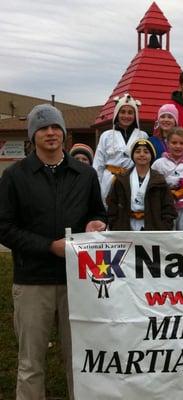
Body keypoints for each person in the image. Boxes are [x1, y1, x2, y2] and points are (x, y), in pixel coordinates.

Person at [0, 104, 107, 400]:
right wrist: (48, 246)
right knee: (30, 363)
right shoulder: (15, 176)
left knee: (79, 361)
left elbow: (98, 213)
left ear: (64, 133)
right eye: (43, 128)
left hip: (78, 282)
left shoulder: (85, 175)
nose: (50, 133)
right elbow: (5, 227)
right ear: (33, 135)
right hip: (33, 281)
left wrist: (97, 223)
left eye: (55, 127)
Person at [107, 139, 176, 231]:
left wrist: (164, 227)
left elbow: (168, 208)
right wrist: (115, 224)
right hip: (125, 226)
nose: (142, 154)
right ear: (132, 155)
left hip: (153, 227)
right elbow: (112, 205)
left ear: (152, 156)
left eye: (146, 152)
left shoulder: (159, 180)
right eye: (138, 151)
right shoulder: (121, 179)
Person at [93, 93, 148, 204]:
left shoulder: (142, 136)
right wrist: (95, 187)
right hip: (109, 180)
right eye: (122, 112)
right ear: (117, 114)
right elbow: (98, 164)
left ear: (135, 115)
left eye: (130, 112)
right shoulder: (106, 136)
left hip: (133, 180)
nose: (126, 116)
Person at [152, 128, 183, 230]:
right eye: (174, 142)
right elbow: (153, 185)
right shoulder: (159, 163)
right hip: (165, 205)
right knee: (167, 233)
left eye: (182, 143)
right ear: (167, 143)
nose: (178, 146)